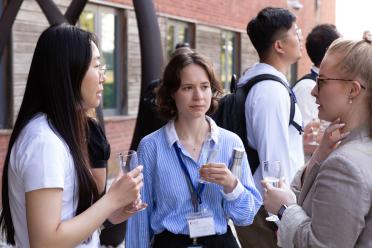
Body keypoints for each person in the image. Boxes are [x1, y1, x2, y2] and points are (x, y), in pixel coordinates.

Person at [0, 24, 144, 247]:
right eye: (97, 66)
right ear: (70, 71)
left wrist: (113, 213)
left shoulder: (60, 133)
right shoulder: (43, 141)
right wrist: (111, 199)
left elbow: (68, 224)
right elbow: (46, 241)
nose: (103, 77)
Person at [126, 50, 262, 248]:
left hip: (220, 242)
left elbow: (246, 217)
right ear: (172, 93)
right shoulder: (151, 146)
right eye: (188, 88)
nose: (198, 96)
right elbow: (139, 216)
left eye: (205, 87)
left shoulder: (231, 143)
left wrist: (231, 185)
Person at [263, 34, 372, 247]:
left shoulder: (345, 164)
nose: (313, 91)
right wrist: (319, 155)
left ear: (353, 90)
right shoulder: (353, 151)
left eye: (321, 81)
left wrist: (285, 210)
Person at [234, 7, 304, 247]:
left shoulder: (260, 81)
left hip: (266, 204)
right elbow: (273, 160)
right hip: (268, 210)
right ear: (279, 46)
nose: (300, 37)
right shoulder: (270, 90)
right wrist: (282, 215)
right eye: (296, 32)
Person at [292, 24, 340, 126]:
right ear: (329, 51)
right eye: (340, 47)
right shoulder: (307, 87)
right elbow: (310, 137)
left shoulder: (331, 82)